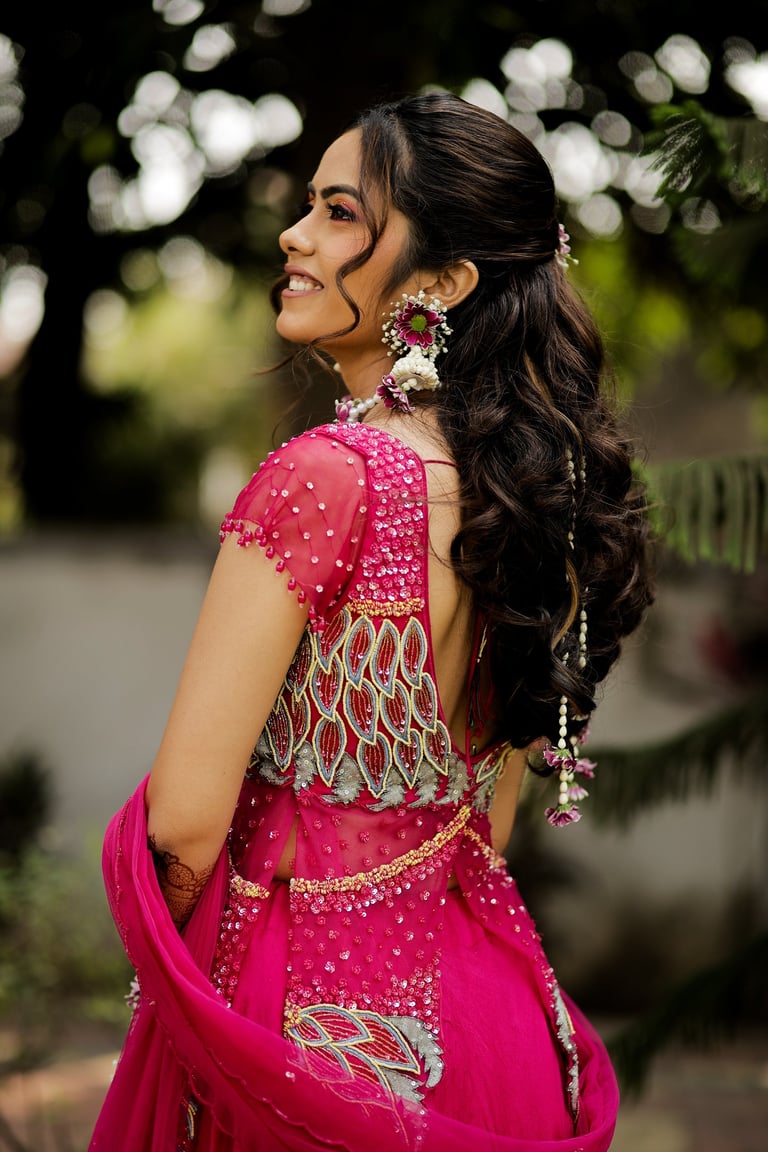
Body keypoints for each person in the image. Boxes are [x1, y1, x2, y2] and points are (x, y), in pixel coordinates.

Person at [90, 90, 654, 1152]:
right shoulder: (530, 507)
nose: (296, 235)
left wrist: (178, 994)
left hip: (295, 1033)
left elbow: (183, 825)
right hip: (493, 1033)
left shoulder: (326, 479)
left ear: (441, 283)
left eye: (343, 214)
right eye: (309, 206)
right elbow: (486, 829)